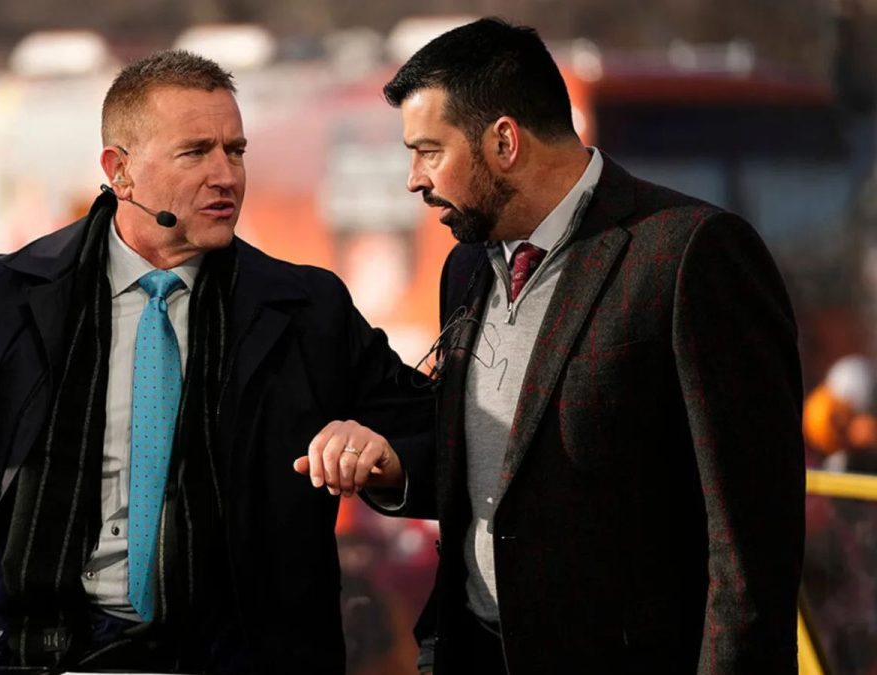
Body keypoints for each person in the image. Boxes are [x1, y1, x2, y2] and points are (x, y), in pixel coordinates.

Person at [0, 50, 430, 673]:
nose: (226, 175)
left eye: (235, 150)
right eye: (195, 152)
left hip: (220, 650)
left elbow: (436, 435)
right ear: (119, 170)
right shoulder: (0, 298)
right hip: (12, 637)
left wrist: (388, 456)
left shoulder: (308, 310)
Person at [298, 18, 805, 674]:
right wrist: (395, 468)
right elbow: (499, 471)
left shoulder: (691, 254)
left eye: (428, 150)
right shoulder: (467, 267)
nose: (412, 180)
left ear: (504, 141)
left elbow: (752, 545)